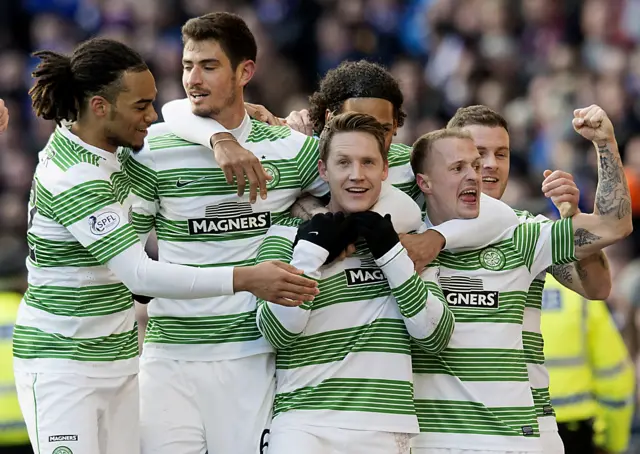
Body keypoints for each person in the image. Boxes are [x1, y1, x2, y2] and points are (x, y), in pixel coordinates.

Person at [131, 15, 521, 454]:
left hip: (252, 362)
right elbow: (175, 110)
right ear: (329, 125)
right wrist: (221, 139)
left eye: (385, 131)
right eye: (188, 66)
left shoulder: (346, 162)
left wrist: (431, 239)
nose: (194, 79)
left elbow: (494, 212)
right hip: (174, 356)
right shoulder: (167, 147)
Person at [14, 37, 317, 454]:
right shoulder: (72, 176)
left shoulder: (111, 147)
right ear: (100, 107)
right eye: (141, 107)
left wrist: (224, 132)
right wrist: (247, 279)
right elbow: (140, 275)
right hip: (62, 365)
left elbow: (176, 113)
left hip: (119, 360)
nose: (151, 115)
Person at [408, 106, 632, 453]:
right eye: (478, 153)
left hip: (523, 428)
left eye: (502, 154)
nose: (491, 164)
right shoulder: (410, 232)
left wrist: (604, 146)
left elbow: (598, 286)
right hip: (434, 434)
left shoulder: (524, 232)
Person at [256, 111, 454, 454]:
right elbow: (276, 333)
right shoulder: (285, 235)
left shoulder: (409, 240)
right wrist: (310, 255)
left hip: (387, 429)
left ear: (384, 171)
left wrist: (391, 255)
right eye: (343, 162)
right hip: (305, 425)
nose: (356, 175)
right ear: (323, 170)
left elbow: (435, 337)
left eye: (367, 162)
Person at [541, 275, 635, 454]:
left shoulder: (496, 289)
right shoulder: (579, 292)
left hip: (506, 429)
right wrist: (613, 443)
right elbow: (616, 379)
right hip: (573, 431)